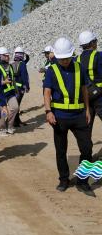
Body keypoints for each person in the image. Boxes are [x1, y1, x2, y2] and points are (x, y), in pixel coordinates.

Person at [44, 37, 92, 194]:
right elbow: (47, 92)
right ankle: (64, 179)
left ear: (72, 55)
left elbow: (84, 89)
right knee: (61, 150)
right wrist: (48, 111)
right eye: (61, 58)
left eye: (67, 58)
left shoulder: (80, 68)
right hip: (59, 117)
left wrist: (87, 110)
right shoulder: (51, 70)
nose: (64, 61)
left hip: (79, 115)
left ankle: (83, 181)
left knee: (87, 148)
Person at [77, 31, 102, 135]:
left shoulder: (77, 59)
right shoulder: (99, 56)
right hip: (100, 96)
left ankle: (86, 150)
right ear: (92, 43)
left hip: (85, 97)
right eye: (95, 41)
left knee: (87, 127)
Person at [0, 47, 19, 136]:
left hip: (10, 93)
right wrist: (3, 82)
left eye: (8, 55)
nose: (8, 57)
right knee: (3, 112)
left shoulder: (10, 66)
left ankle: (9, 126)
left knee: (15, 107)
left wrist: (16, 90)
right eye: (6, 55)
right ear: (0, 56)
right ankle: (1, 129)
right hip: (1, 94)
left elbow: (13, 79)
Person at [12, 46, 30, 127]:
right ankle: (16, 122)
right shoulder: (22, 64)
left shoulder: (12, 64)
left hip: (13, 88)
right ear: (22, 55)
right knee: (17, 106)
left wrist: (27, 56)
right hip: (20, 89)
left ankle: (16, 121)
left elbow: (25, 61)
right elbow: (24, 76)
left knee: (15, 105)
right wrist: (27, 86)